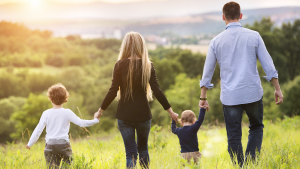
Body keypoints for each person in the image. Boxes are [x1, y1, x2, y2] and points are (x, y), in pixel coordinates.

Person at [199, 1, 284, 167]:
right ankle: (251, 163)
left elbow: (207, 72)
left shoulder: (215, 41)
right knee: (256, 127)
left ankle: (240, 166)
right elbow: (269, 65)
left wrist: (203, 97)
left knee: (233, 135)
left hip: (230, 97)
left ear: (223, 17)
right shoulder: (254, 36)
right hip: (252, 93)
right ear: (241, 16)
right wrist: (277, 89)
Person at [94, 32, 178, 169]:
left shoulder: (119, 65)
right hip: (143, 116)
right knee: (143, 149)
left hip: (124, 116)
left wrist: (100, 111)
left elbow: (112, 91)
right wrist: (170, 112)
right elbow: (157, 91)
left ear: (125, 45)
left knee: (130, 154)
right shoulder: (147, 65)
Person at [25, 83, 101, 169]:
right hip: (63, 145)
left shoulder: (46, 113)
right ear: (65, 99)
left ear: (51, 99)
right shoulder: (67, 112)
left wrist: (30, 143)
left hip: (50, 145)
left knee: (52, 167)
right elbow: (81, 123)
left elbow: (38, 130)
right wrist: (95, 120)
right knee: (67, 165)